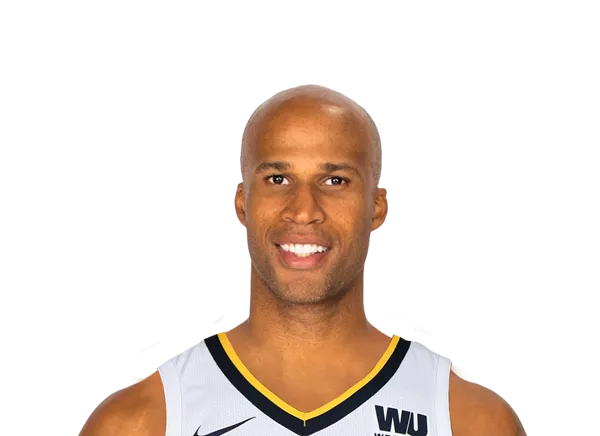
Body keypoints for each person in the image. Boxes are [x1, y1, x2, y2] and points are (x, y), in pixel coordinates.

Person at [80, 85, 527, 436]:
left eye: (335, 180)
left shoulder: (468, 421)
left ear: (376, 208)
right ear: (242, 204)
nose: (303, 210)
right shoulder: (140, 423)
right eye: (278, 178)